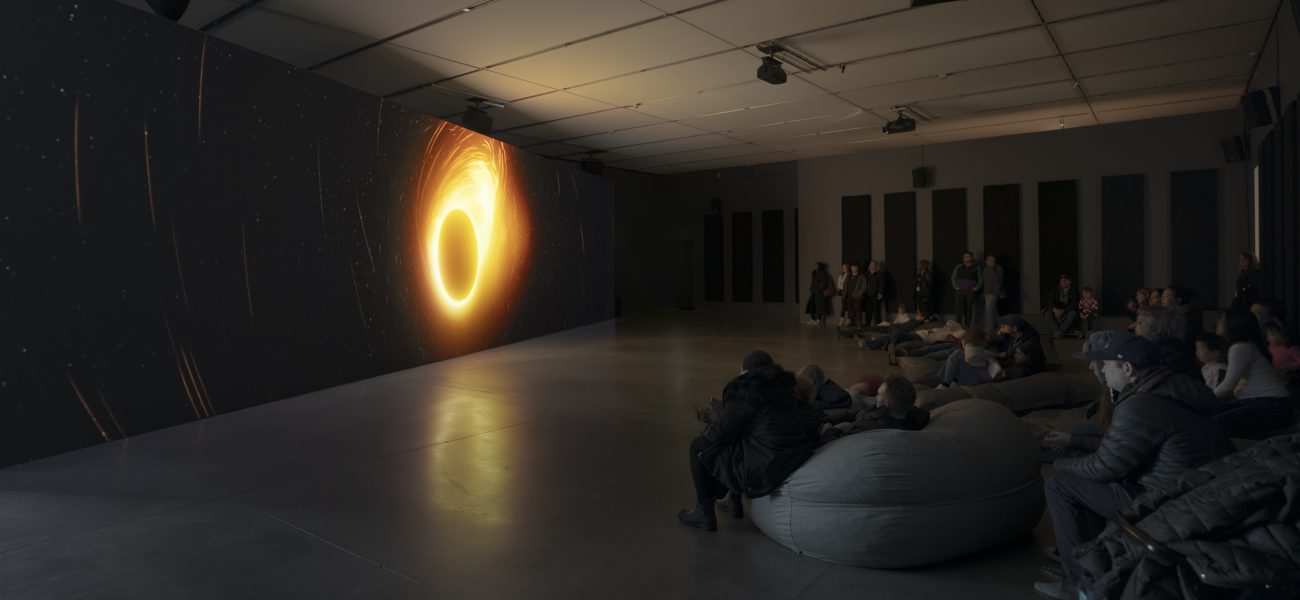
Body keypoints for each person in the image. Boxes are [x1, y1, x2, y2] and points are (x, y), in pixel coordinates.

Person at [1033, 333, 1233, 600]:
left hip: (1167, 501)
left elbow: (1106, 467)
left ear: (1127, 368)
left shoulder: (1140, 403)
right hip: (1199, 493)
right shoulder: (1170, 387)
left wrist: (1060, 463)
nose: (1102, 370)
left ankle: (1081, 583)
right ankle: (1095, 561)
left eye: (1107, 365)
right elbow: (1121, 448)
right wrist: (1076, 443)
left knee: (1060, 484)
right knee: (1079, 480)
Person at [679, 351, 818, 532]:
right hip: (791, 456)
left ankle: (703, 512)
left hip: (766, 468)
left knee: (699, 446)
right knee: (744, 436)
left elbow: (719, 433)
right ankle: (733, 503)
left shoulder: (747, 390)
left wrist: (711, 423)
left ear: (744, 371)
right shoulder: (786, 388)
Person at [1212, 310, 1293, 438]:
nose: (1217, 323)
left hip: (1271, 405)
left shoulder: (1240, 347)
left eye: (1222, 320)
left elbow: (1228, 385)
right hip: (1271, 404)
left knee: (1215, 422)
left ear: (1233, 325)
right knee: (1211, 415)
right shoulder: (1246, 345)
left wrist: (1205, 398)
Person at [826, 374, 930, 437]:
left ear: (887, 404)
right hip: (855, 416)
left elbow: (836, 440)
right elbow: (858, 412)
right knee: (859, 397)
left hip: (835, 431)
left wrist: (833, 428)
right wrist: (828, 419)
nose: (876, 397)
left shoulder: (872, 427)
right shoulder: (906, 410)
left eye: (879, 395)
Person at [1134, 306, 1199, 379]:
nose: (1134, 326)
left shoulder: (1167, 357)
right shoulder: (1165, 350)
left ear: (1156, 330)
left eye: (1139, 323)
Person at [950, 251, 982, 329]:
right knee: (958, 310)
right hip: (960, 291)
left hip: (970, 292)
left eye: (967, 256)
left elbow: (981, 279)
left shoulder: (977, 267)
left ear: (971, 257)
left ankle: (967, 328)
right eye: (964, 256)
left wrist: (977, 287)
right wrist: (955, 286)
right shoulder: (959, 266)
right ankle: (958, 327)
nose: (965, 258)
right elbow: (953, 277)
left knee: (969, 310)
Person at [981, 254, 1005, 333]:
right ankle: (999, 326)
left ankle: (989, 328)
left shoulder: (998, 268)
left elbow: (998, 280)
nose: (990, 261)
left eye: (992, 260)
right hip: (986, 292)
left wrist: (992, 267)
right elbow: (984, 282)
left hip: (993, 293)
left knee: (989, 310)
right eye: (988, 260)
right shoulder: (985, 269)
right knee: (993, 310)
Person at [863, 260, 886, 327]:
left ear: (876, 266)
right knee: (868, 310)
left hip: (876, 295)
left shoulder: (879, 274)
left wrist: (880, 293)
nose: (872, 266)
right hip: (868, 295)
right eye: (871, 265)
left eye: (873, 265)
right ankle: (867, 324)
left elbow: (882, 284)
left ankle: (878, 325)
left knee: (876, 311)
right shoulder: (867, 274)